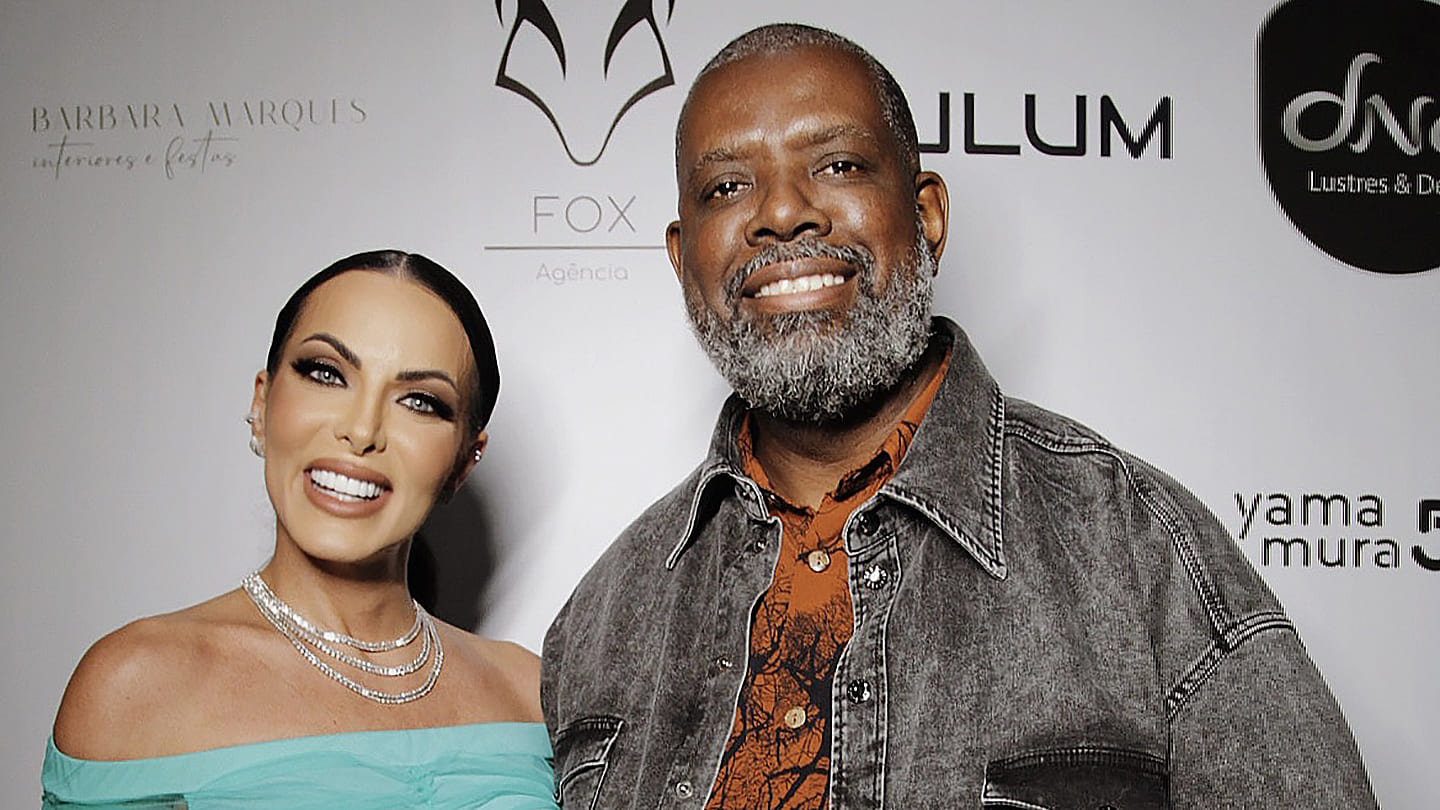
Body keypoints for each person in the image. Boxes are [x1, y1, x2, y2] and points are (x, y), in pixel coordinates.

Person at [540, 23, 1378, 810]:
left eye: (837, 165)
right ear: (683, 258)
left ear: (928, 216)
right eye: (727, 187)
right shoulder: (602, 618)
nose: (783, 212)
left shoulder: (1141, 552)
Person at [45, 251, 559, 809]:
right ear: (262, 404)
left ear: (463, 460)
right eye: (326, 373)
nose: (361, 431)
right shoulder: (137, 683)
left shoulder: (529, 694)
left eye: (420, 402)